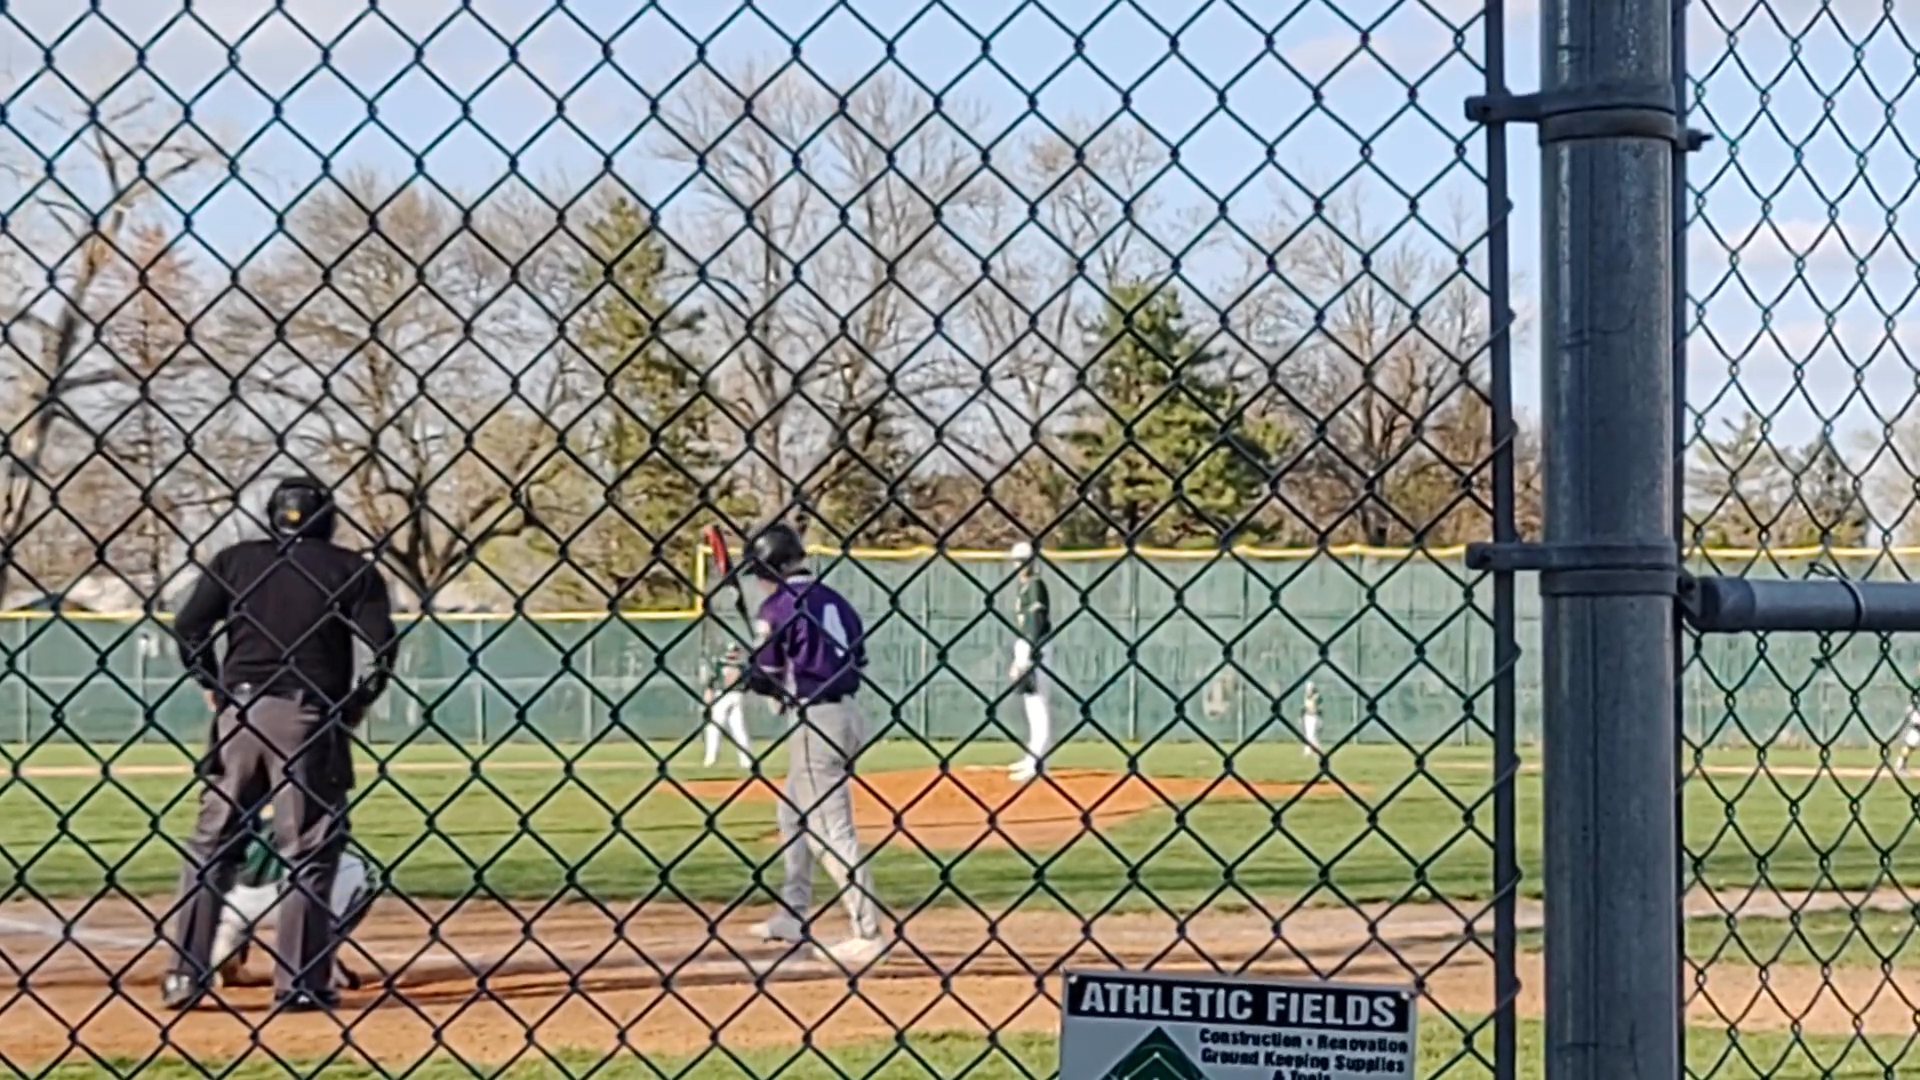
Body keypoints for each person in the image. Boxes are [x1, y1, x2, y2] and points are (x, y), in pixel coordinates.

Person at [163, 475, 398, 1013]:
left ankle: (183, 976)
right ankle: (299, 983)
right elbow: (381, 649)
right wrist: (355, 705)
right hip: (308, 715)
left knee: (211, 846)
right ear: (329, 519)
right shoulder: (351, 569)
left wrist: (212, 685)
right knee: (310, 850)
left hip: (239, 713)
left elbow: (188, 626)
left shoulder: (237, 560)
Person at [740, 522, 887, 969]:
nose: (759, 580)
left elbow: (765, 674)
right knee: (793, 813)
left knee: (829, 828)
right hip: (846, 713)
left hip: (817, 721)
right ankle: (794, 911)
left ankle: (868, 932)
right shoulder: (833, 599)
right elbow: (851, 657)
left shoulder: (777, 605)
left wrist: (744, 675)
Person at [211, 804, 378, 992]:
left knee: (218, 861)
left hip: (229, 899)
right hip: (292, 893)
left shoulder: (235, 786)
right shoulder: (318, 789)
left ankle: (226, 941)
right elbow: (332, 847)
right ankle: (316, 954)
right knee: (365, 872)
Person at [1007, 541, 1054, 783]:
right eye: (1017, 560)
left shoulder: (1036, 586)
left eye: (1023, 560)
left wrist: (1029, 654)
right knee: (1030, 703)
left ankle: (1038, 760)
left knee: (1038, 703)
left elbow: (1035, 621)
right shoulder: (1025, 587)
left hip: (1036, 646)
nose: (1020, 565)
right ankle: (1032, 757)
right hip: (1026, 645)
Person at [702, 644, 754, 769]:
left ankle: (711, 759)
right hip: (736, 695)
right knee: (738, 729)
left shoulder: (721, 663)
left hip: (724, 695)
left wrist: (709, 692)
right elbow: (748, 684)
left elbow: (712, 681)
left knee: (715, 727)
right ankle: (746, 760)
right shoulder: (743, 666)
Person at [1897, 703, 1920, 776]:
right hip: (1916, 730)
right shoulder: (1915, 707)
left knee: (1910, 748)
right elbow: (1916, 722)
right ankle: (1900, 766)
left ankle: (1901, 765)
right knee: (1909, 747)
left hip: (1916, 730)